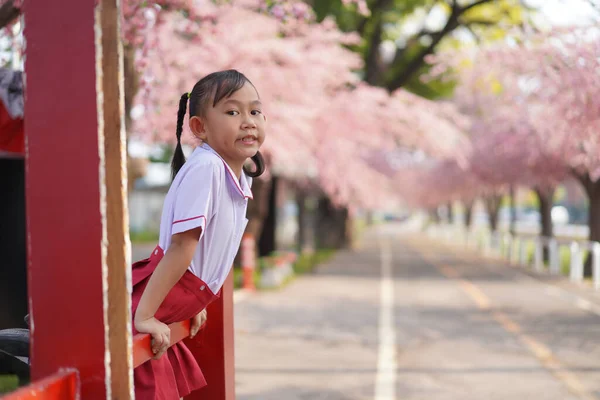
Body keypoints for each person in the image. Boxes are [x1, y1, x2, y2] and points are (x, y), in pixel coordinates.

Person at [131, 69, 266, 399]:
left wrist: (193, 304)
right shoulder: (207, 167)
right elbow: (181, 247)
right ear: (199, 127)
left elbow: (212, 251)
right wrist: (145, 315)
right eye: (233, 112)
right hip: (161, 291)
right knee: (136, 369)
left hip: (179, 295)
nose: (248, 121)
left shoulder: (236, 176)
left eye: (255, 111)